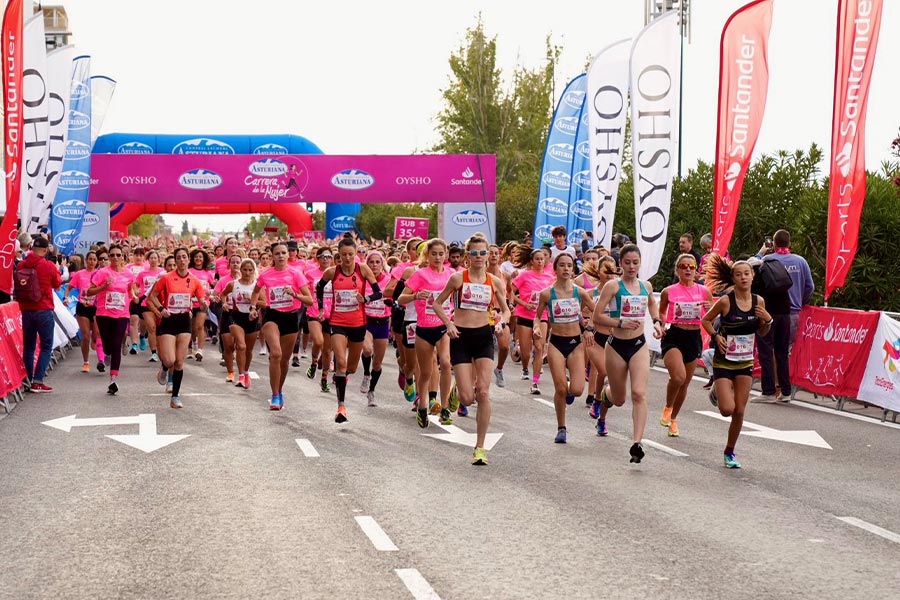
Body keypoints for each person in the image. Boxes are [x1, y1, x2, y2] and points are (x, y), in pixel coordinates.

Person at [432, 233, 510, 464]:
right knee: (467, 399)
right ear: (468, 256)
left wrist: (501, 322)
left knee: (483, 392)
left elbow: (506, 310)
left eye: (482, 252)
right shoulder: (458, 279)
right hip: (461, 337)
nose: (479, 257)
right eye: (474, 253)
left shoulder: (494, 282)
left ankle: (480, 447)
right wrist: (449, 324)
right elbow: (436, 303)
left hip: (484, 336)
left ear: (488, 255)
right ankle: (458, 392)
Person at [593, 244, 664, 463]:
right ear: (620, 264)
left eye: (635, 262)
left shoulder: (646, 286)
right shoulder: (613, 287)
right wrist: (620, 322)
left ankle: (636, 443)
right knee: (620, 398)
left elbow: (652, 305)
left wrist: (658, 321)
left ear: (640, 263)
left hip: (638, 345)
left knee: (639, 394)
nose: (632, 267)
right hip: (616, 345)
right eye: (627, 262)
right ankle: (606, 395)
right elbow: (597, 317)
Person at [702, 255, 773, 468]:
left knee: (740, 411)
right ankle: (716, 390)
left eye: (747, 274)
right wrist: (716, 336)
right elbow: (705, 320)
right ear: (733, 278)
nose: (743, 277)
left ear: (752, 277)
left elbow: (762, 331)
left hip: (745, 362)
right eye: (739, 274)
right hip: (724, 361)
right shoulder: (726, 301)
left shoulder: (758, 301)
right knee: (726, 409)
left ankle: (729, 452)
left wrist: (767, 319)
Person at [316, 237, 384, 423]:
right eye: (344, 255)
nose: (347, 258)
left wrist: (366, 300)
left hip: (358, 324)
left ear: (356, 254)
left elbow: (379, 292)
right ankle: (341, 407)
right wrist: (322, 308)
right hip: (337, 322)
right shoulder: (332, 272)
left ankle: (341, 379)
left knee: (352, 368)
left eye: (351, 255)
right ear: (339, 254)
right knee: (341, 363)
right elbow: (319, 287)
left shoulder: (363, 270)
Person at [532, 253, 596, 443]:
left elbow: (596, 311)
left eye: (569, 265)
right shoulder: (547, 293)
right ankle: (561, 428)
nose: (566, 269)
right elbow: (537, 316)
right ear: (556, 268)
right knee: (560, 389)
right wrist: (536, 327)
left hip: (576, 344)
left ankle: (568, 390)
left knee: (576, 390)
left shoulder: (580, 292)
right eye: (562, 265)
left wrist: (589, 329)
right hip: (556, 344)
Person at [398, 238, 455, 428]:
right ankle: (423, 406)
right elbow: (400, 299)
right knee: (425, 372)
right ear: (427, 255)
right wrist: (415, 296)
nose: (438, 257)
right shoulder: (420, 274)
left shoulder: (452, 274)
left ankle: (445, 407)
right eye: (434, 254)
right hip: (423, 328)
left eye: (441, 254)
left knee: (445, 363)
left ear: (446, 254)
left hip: (443, 326)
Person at [250, 242, 314, 410]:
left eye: (283, 253)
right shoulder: (266, 274)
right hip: (272, 316)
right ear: (272, 256)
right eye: (277, 253)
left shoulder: (296, 274)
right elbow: (256, 291)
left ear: (288, 255)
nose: (280, 256)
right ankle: (275, 395)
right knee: (276, 354)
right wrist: (253, 307)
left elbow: (309, 300)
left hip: (291, 317)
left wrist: (295, 294)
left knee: (284, 360)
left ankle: (279, 390)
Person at [753, 229, 814, 402]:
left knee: (767, 351)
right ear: (789, 243)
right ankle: (785, 391)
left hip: (769, 311)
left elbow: (749, 269)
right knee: (782, 353)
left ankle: (769, 391)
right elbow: (810, 286)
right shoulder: (801, 261)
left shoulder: (767, 260)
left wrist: (761, 252)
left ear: (774, 243)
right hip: (792, 313)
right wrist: (800, 302)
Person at [657, 253, 713, 437]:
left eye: (692, 266)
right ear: (677, 269)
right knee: (678, 377)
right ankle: (667, 406)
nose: (688, 269)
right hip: (674, 335)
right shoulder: (669, 291)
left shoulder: (704, 291)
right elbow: (661, 312)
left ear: (696, 270)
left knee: (685, 383)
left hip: (693, 336)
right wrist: (661, 325)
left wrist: (708, 308)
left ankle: (673, 418)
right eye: (684, 266)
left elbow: (712, 314)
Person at [148, 247, 208, 409]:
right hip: (168, 319)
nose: (182, 260)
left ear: (188, 259)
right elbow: (152, 296)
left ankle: (175, 396)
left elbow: (201, 299)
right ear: (175, 261)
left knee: (180, 362)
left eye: (184, 257)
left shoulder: (194, 280)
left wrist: (203, 303)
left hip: (183, 320)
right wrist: (161, 309)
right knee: (170, 359)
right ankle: (165, 367)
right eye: (178, 258)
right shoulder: (166, 278)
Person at [86, 244, 139, 395]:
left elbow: (130, 289)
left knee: (116, 344)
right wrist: (103, 287)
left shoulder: (128, 274)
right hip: (104, 314)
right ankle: (107, 353)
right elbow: (89, 291)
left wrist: (134, 296)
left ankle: (113, 379)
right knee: (108, 346)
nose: (115, 257)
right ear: (109, 257)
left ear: (123, 257)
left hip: (121, 314)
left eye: (118, 255)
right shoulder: (102, 273)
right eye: (112, 255)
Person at [17, 236, 62, 393]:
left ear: (31, 248)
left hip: (26, 310)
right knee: (46, 346)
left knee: (28, 347)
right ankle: (38, 381)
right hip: (43, 309)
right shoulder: (48, 265)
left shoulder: (22, 264)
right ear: (44, 250)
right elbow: (57, 284)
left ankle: (29, 380)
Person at [583, 255, 620, 436]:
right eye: (606, 272)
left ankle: (602, 417)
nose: (610, 276)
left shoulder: (620, 292)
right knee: (604, 372)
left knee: (609, 380)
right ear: (599, 273)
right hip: (596, 338)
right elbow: (587, 313)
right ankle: (597, 400)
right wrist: (587, 326)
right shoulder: (592, 294)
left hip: (615, 340)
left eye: (613, 272)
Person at [510, 244, 554, 394]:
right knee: (526, 351)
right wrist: (524, 303)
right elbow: (512, 294)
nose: (540, 261)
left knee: (540, 347)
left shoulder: (550, 277)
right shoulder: (524, 275)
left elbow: (553, 296)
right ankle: (524, 368)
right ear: (531, 261)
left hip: (541, 316)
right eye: (537, 259)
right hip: (524, 315)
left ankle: (535, 382)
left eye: (542, 259)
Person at [221, 258, 260, 390]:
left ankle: (246, 372)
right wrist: (224, 303)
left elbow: (266, 304)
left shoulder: (257, 286)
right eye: (245, 270)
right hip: (236, 318)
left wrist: (252, 300)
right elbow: (223, 294)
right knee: (241, 346)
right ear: (241, 270)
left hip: (252, 319)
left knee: (248, 350)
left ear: (254, 271)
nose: (247, 273)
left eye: (250, 270)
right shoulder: (233, 284)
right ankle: (241, 375)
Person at [359, 250, 392, 407]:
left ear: (382, 264)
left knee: (378, 363)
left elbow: (395, 297)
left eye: (377, 262)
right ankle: (366, 374)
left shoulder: (389, 280)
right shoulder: (363, 281)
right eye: (371, 262)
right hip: (366, 321)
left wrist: (391, 303)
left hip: (383, 323)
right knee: (366, 350)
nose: (374, 265)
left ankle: (371, 391)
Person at [65, 250, 100, 374]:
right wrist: (66, 298)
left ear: (97, 262)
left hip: (95, 308)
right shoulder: (80, 274)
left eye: (94, 259)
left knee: (96, 336)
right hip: (82, 307)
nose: (92, 261)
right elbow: (69, 288)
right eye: (90, 259)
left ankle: (95, 343)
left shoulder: (99, 274)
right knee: (85, 336)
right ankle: (86, 362)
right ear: (86, 260)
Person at [137, 250, 166, 363]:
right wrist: (137, 293)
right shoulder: (142, 274)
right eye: (151, 258)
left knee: (159, 329)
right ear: (147, 260)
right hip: (146, 303)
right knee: (151, 327)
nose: (153, 260)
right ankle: (154, 353)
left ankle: (161, 350)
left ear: (159, 260)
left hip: (160, 303)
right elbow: (136, 286)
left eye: (155, 258)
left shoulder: (163, 273)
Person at [188, 248, 215, 361]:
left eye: (200, 257)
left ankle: (200, 350)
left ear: (204, 259)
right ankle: (192, 344)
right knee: (192, 328)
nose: (198, 259)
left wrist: (211, 292)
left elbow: (214, 287)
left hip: (203, 303)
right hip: (189, 303)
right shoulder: (189, 271)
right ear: (193, 259)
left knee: (200, 326)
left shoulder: (208, 273)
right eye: (196, 257)